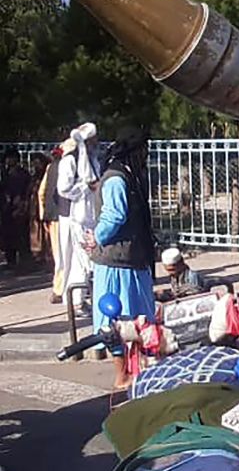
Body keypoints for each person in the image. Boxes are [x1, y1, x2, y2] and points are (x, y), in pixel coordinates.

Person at [83, 126, 156, 389]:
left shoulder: (126, 175)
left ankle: (136, 369)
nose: (147, 156)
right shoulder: (116, 179)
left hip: (129, 260)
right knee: (118, 320)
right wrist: (97, 237)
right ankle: (122, 374)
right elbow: (114, 216)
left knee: (136, 317)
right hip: (117, 263)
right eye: (145, 150)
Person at [57, 122, 100, 311]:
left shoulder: (93, 159)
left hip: (94, 214)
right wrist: (86, 187)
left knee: (80, 260)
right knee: (85, 258)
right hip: (80, 215)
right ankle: (78, 298)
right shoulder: (70, 160)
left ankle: (77, 300)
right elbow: (63, 189)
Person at [38, 145, 67, 303]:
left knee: (59, 254)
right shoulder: (70, 165)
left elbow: (41, 192)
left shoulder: (50, 168)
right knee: (66, 254)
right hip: (66, 216)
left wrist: (44, 215)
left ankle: (59, 288)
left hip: (53, 217)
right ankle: (61, 288)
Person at [0, 149, 31, 270]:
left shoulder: (22, 173)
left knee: (20, 234)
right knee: (8, 235)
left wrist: (21, 199)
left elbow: (25, 189)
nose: (8, 161)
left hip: (18, 207)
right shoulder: (5, 173)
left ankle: (23, 261)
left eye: (10, 158)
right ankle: (10, 260)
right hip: (6, 207)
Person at [155, 247, 220, 302]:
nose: (170, 273)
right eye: (167, 270)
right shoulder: (175, 276)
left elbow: (194, 298)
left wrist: (171, 296)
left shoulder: (191, 277)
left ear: (181, 264)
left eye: (172, 270)